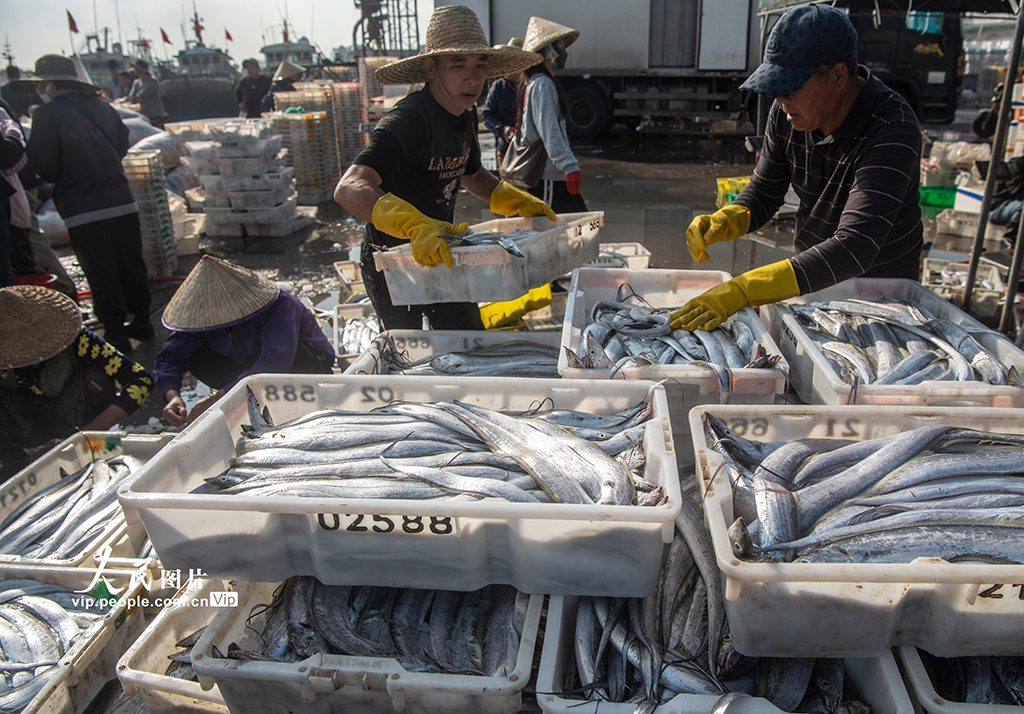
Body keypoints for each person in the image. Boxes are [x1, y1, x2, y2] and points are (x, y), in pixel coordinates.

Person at [671, 3, 923, 332]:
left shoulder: (893, 130)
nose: (780, 99)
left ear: (837, 76)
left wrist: (746, 287)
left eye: (791, 87)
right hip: (810, 284)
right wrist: (726, 219)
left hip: (882, 299)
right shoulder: (790, 112)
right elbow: (765, 191)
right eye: (776, 88)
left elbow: (854, 246)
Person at [334, 5, 556, 331]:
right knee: (408, 353)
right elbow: (350, 187)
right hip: (393, 262)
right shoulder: (410, 119)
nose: (473, 77)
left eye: (481, 65)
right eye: (458, 65)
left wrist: (518, 199)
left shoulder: (465, 113)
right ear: (431, 68)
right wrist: (413, 225)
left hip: (441, 252)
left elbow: (473, 175)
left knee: (469, 340)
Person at [12, 54, 154, 354]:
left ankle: (115, 333)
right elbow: (122, 143)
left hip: (83, 209)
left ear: (48, 84)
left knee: (101, 270)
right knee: (130, 263)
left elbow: (43, 165)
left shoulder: (48, 114)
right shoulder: (104, 106)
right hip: (121, 200)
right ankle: (143, 320)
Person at [153, 256, 336, 427]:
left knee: (297, 359)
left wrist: (217, 399)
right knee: (196, 356)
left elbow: (275, 362)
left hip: (302, 365)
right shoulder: (201, 317)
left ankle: (258, 399)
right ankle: (242, 398)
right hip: (246, 365)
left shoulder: (279, 305)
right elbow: (169, 358)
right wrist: (172, 396)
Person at [0, 285, 153, 470]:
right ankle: (13, 464)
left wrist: (96, 427)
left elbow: (141, 380)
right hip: (24, 423)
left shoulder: (79, 340)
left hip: (73, 416)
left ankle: (96, 449)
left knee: (94, 375)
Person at [520, 17, 586, 214]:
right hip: (548, 176)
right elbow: (550, 131)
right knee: (552, 229)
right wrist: (569, 165)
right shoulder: (542, 84)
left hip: (550, 174)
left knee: (579, 224)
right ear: (548, 52)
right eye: (560, 47)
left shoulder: (536, 82)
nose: (563, 53)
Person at [482, 37, 524, 169]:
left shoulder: (530, 87)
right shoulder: (499, 87)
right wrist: (503, 129)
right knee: (506, 187)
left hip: (527, 152)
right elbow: (487, 116)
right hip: (505, 150)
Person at [122, 59, 166, 128]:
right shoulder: (136, 82)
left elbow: (143, 94)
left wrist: (140, 98)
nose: (134, 70)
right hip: (143, 116)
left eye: (135, 68)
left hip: (155, 116)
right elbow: (132, 97)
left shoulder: (153, 81)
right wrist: (141, 99)